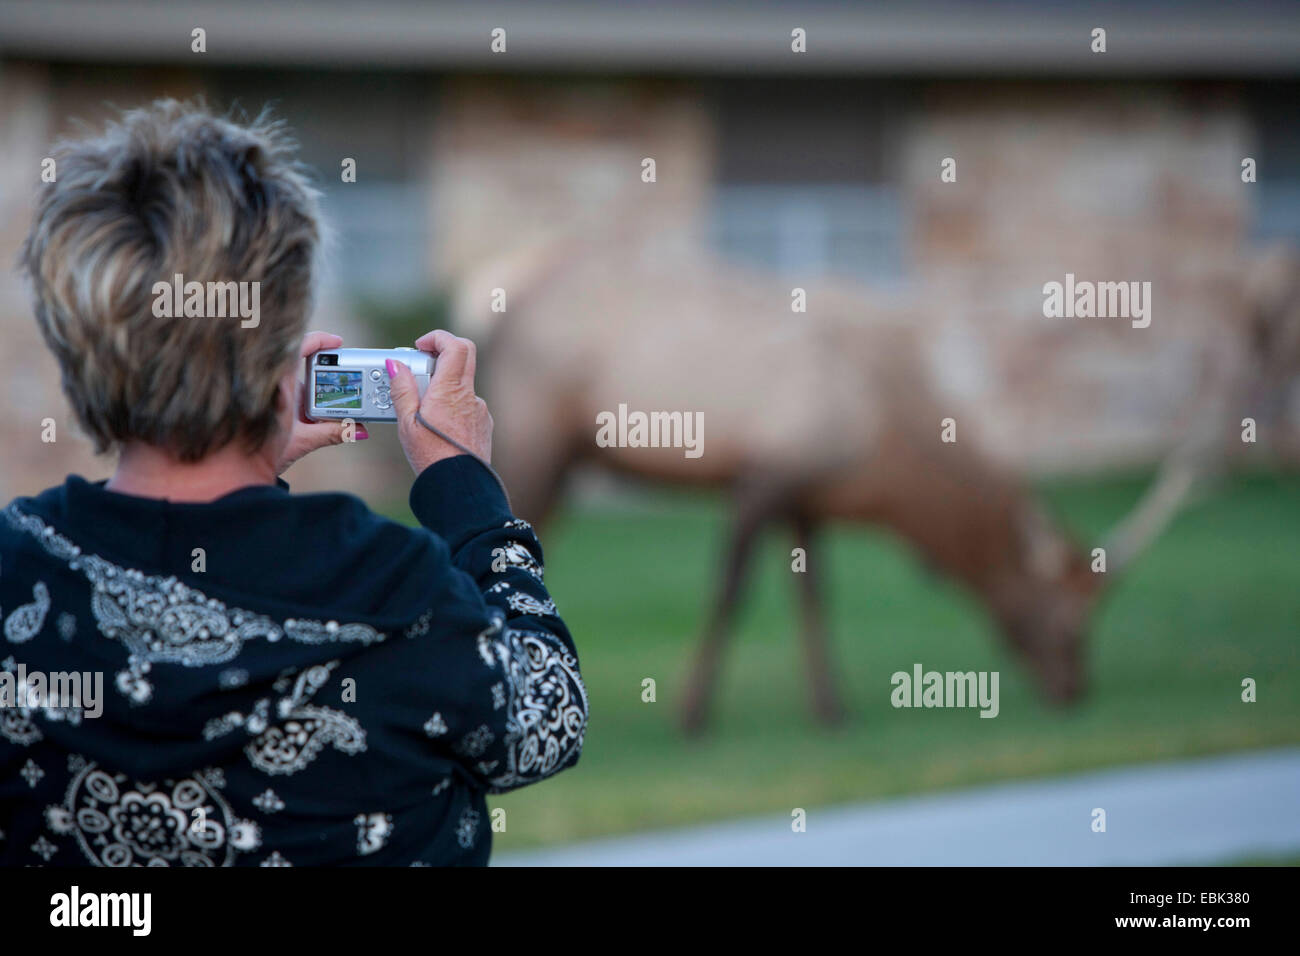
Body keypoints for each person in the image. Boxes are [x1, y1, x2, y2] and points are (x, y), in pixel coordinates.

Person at [0, 100, 587, 866]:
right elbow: (546, 717)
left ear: (74, 343)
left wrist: (245, 465)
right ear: (281, 344)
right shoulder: (393, 593)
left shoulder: (16, 573)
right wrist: (466, 490)